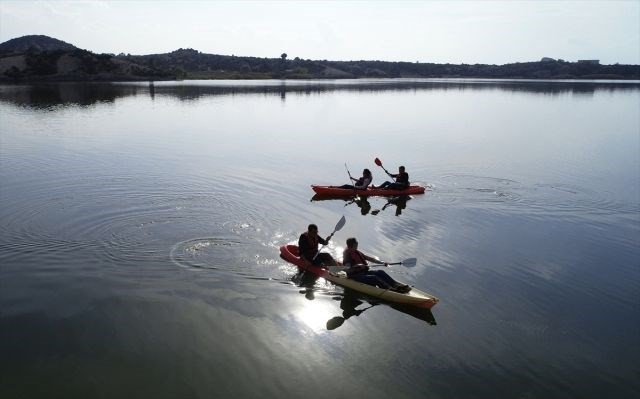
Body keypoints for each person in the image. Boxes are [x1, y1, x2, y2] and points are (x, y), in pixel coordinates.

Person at [342, 237, 411, 293]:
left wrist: (382, 262)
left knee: (380, 272)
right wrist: (357, 266)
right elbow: (347, 269)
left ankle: (396, 285)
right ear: (351, 246)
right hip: (355, 275)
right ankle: (391, 290)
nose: (357, 246)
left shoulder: (356, 251)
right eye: (356, 245)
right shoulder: (347, 255)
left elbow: (370, 259)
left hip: (363, 272)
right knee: (373, 277)